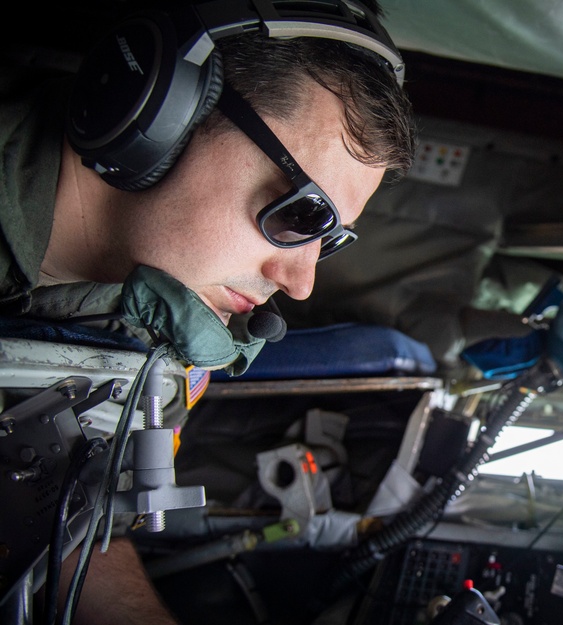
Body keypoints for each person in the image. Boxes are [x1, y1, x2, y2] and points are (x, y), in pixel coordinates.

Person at [0, 1, 414, 623]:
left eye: (329, 239)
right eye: (304, 214)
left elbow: (70, 527)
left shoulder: (165, 340)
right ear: (158, 111)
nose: (301, 284)